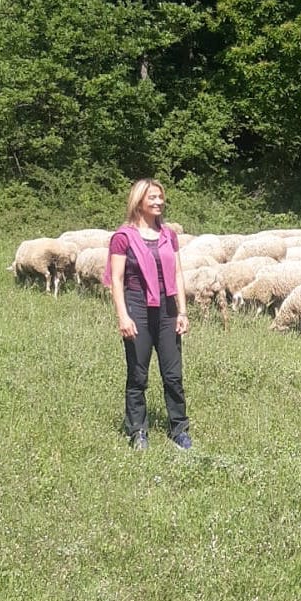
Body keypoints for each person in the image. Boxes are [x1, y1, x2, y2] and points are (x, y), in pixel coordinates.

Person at [104, 178, 192, 450]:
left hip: (166, 309)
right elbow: (116, 280)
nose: (158, 202)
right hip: (137, 307)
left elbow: (177, 273)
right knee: (138, 374)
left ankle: (179, 429)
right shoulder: (123, 238)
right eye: (152, 197)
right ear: (139, 201)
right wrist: (123, 316)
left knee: (173, 374)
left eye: (160, 197)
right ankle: (138, 430)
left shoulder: (169, 235)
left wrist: (182, 311)